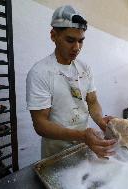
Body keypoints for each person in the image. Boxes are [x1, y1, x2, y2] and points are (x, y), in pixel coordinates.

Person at [26, 5, 116, 159]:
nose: (77, 47)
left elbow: (92, 102)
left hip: (84, 144)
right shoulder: (40, 72)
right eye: (70, 40)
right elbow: (40, 124)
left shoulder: (84, 68)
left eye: (81, 41)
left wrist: (101, 122)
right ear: (53, 36)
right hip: (56, 151)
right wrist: (82, 135)